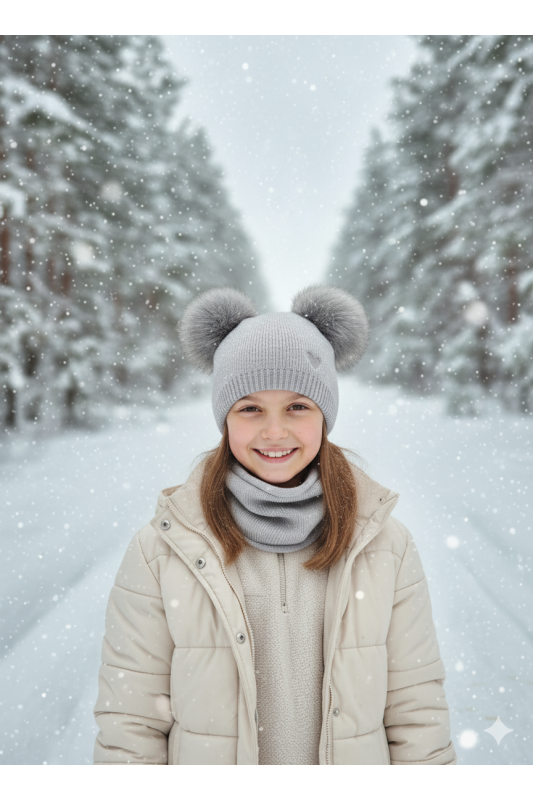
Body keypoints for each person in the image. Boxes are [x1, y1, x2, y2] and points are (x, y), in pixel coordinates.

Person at [93, 284, 457, 765]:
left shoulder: (384, 545)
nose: (274, 431)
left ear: (325, 416)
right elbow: (131, 720)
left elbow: (417, 712)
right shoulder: (162, 551)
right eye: (250, 408)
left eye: (297, 406)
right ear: (225, 420)